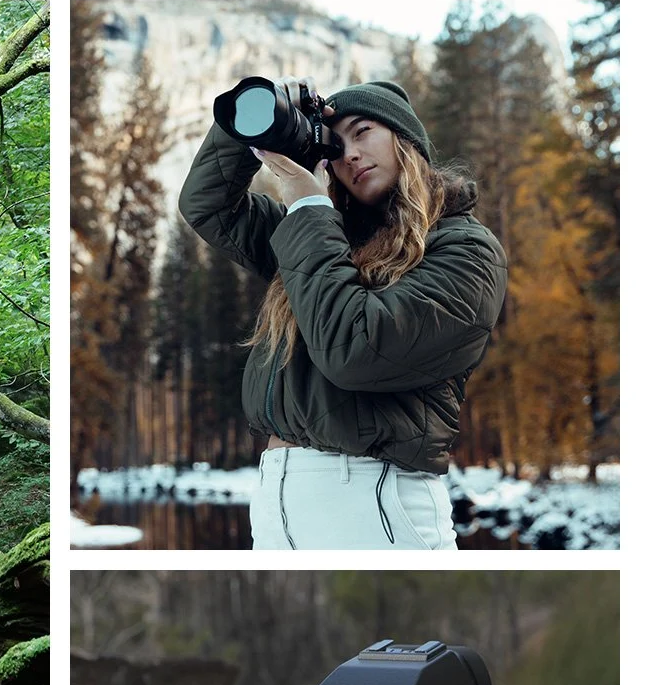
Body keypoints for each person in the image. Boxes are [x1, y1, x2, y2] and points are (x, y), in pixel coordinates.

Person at [178, 77, 508, 550]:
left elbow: (357, 351)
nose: (349, 153)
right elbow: (206, 205)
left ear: (406, 140)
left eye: (364, 131)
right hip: (277, 498)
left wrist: (308, 204)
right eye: (336, 143)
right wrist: (256, 129)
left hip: (374, 498)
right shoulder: (322, 235)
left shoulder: (465, 250)